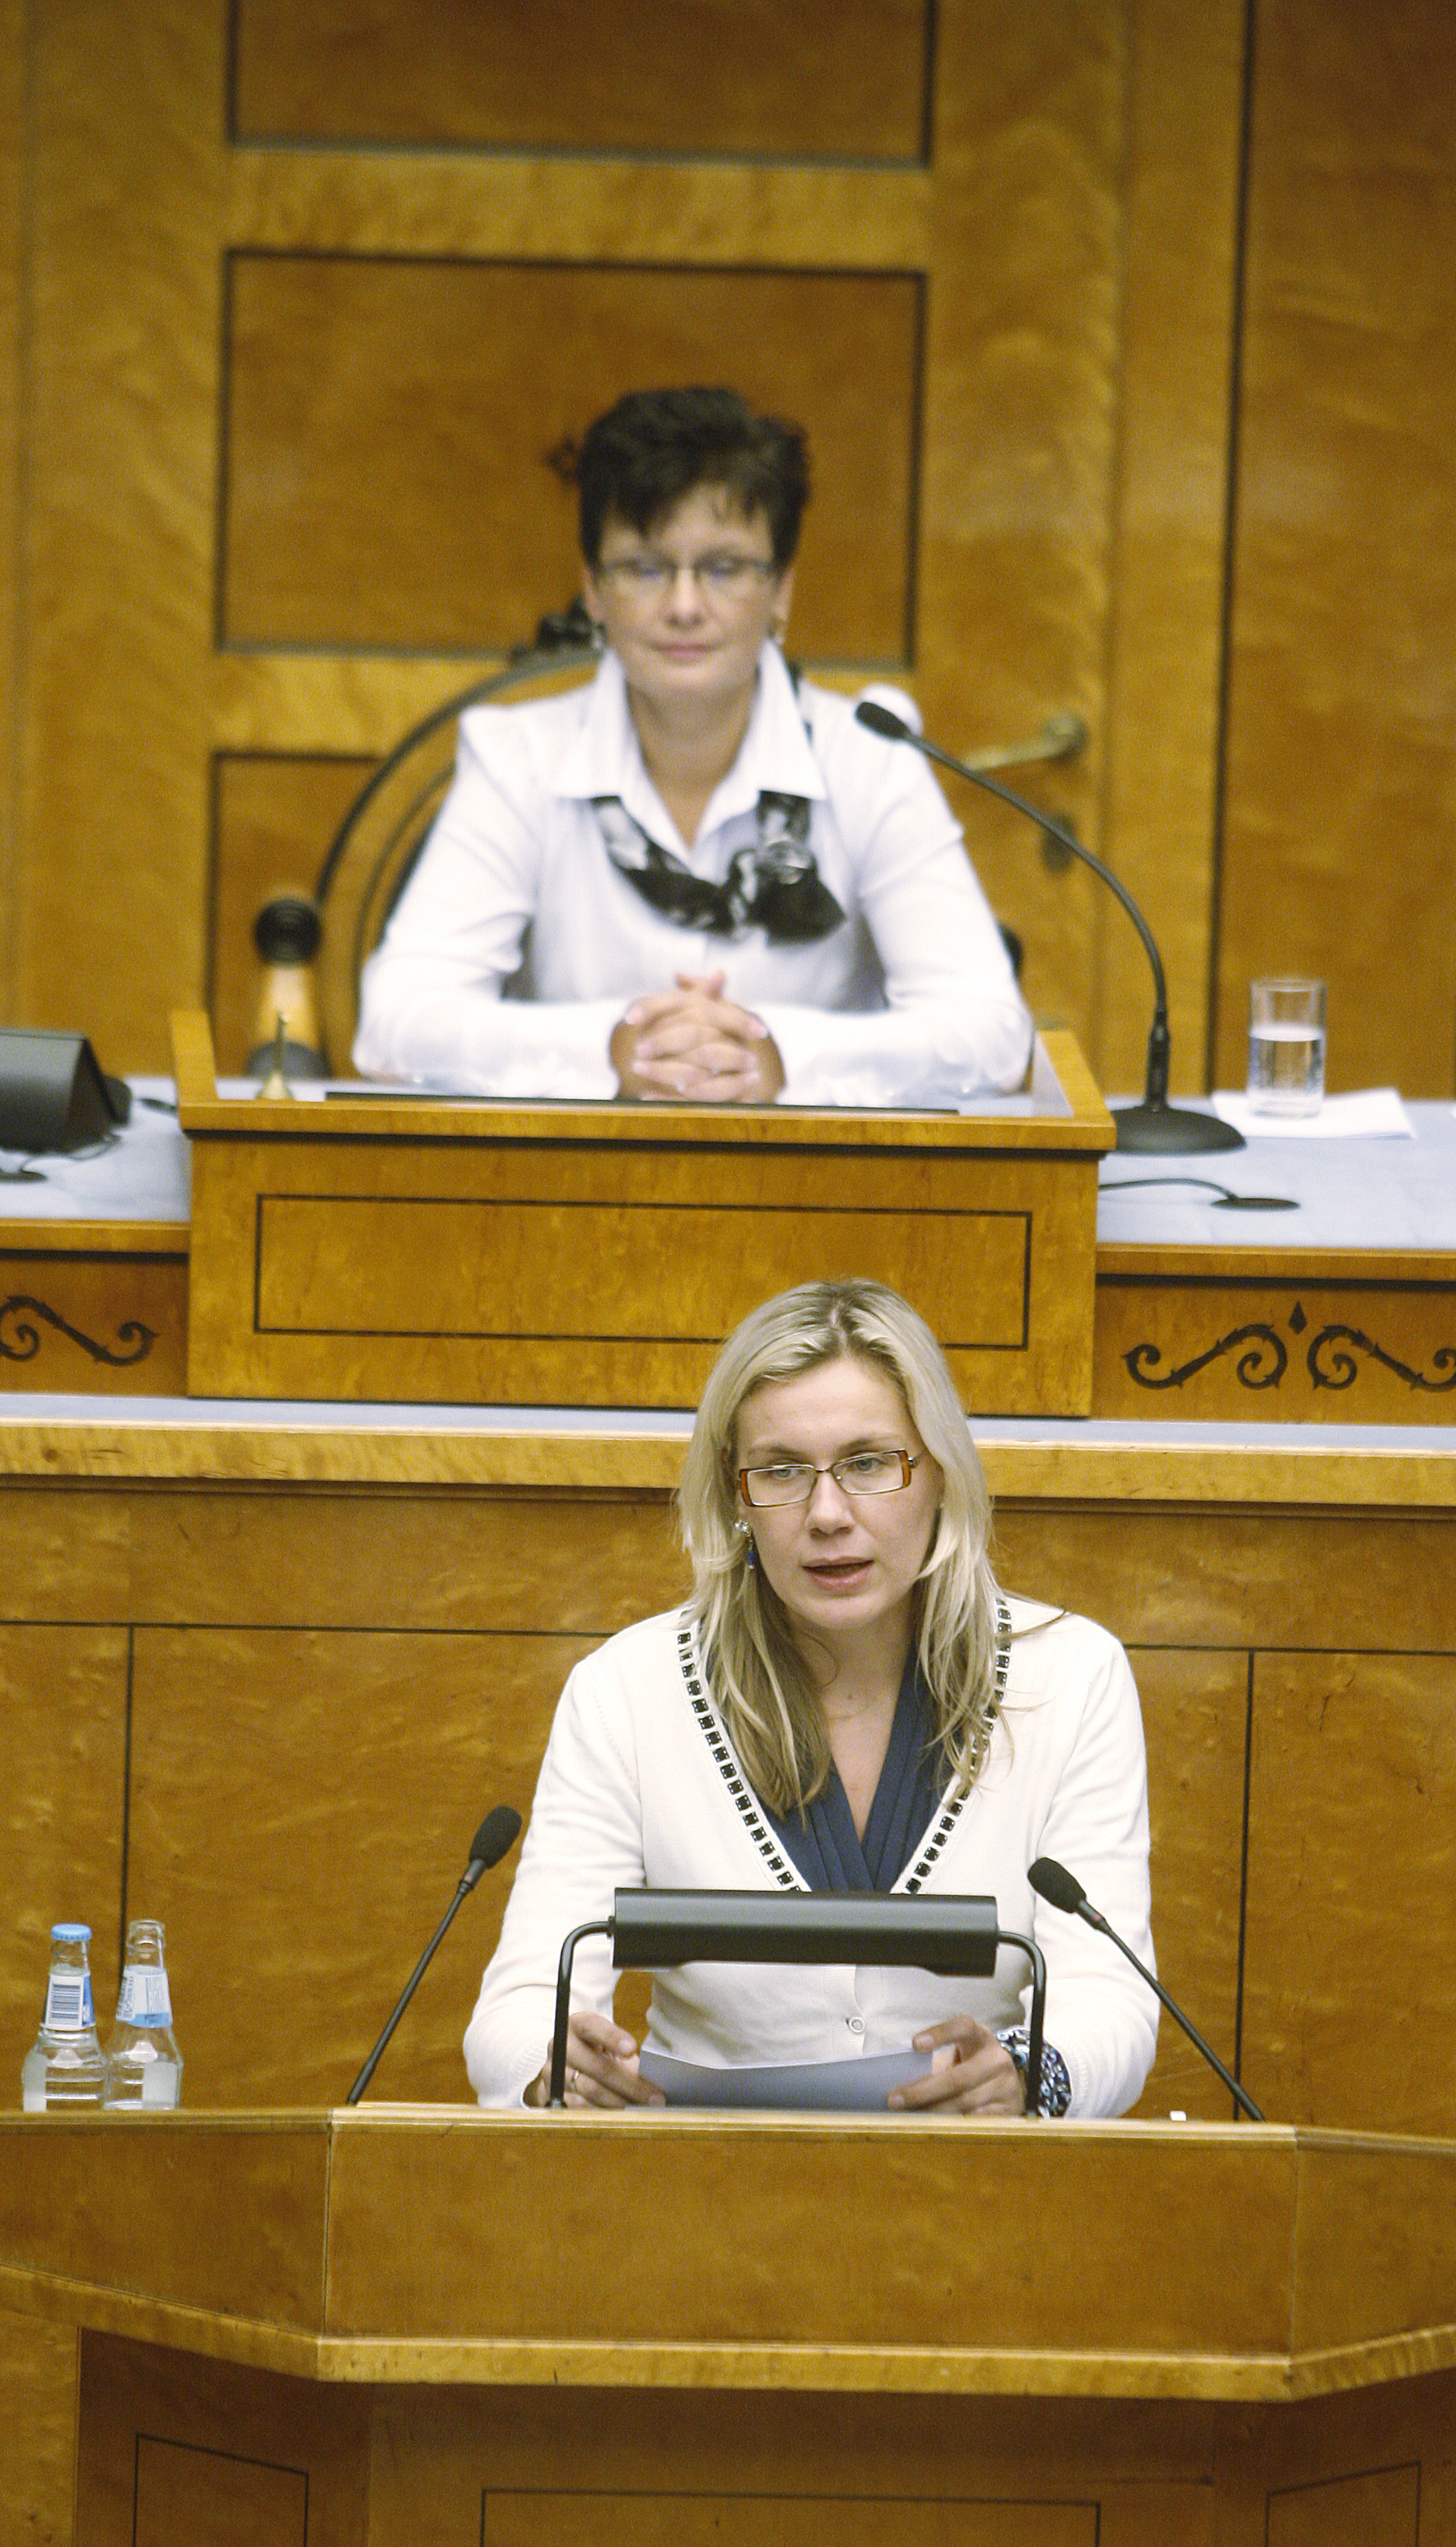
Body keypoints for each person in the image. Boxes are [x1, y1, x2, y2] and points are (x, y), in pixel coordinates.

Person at [464, 1279, 1159, 2118]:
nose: (827, 1514)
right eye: (782, 1471)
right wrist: (552, 2062)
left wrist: (1026, 2073)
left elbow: (1111, 2000)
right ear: (736, 1495)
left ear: (939, 1472)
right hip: (698, 2179)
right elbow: (520, 2006)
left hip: (971, 2177)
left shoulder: (1071, 1677)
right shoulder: (628, 1689)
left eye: (868, 1464)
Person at [353, 388, 1032, 1109]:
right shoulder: (519, 759)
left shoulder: (869, 756)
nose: (683, 606)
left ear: (781, 590)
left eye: (725, 567)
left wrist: (780, 1056)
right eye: (645, 568)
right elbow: (395, 1026)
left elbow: (991, 1035)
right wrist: (611, 1048)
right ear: (593, 591)